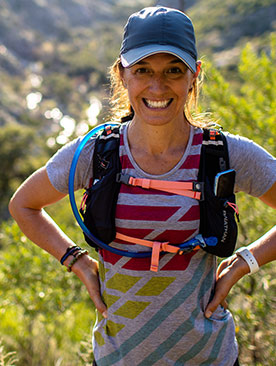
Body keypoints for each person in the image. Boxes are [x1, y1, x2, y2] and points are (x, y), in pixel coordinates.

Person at [9, 6, 276, 366]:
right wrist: (78, 262)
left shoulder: (226, 154)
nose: (157, 86)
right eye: (143, 70)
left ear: (194, 75)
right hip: (119, 357)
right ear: (122, 74)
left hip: (209, 356)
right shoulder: (96, 152)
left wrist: (244, 263)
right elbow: (23, 206)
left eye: (173, 71)